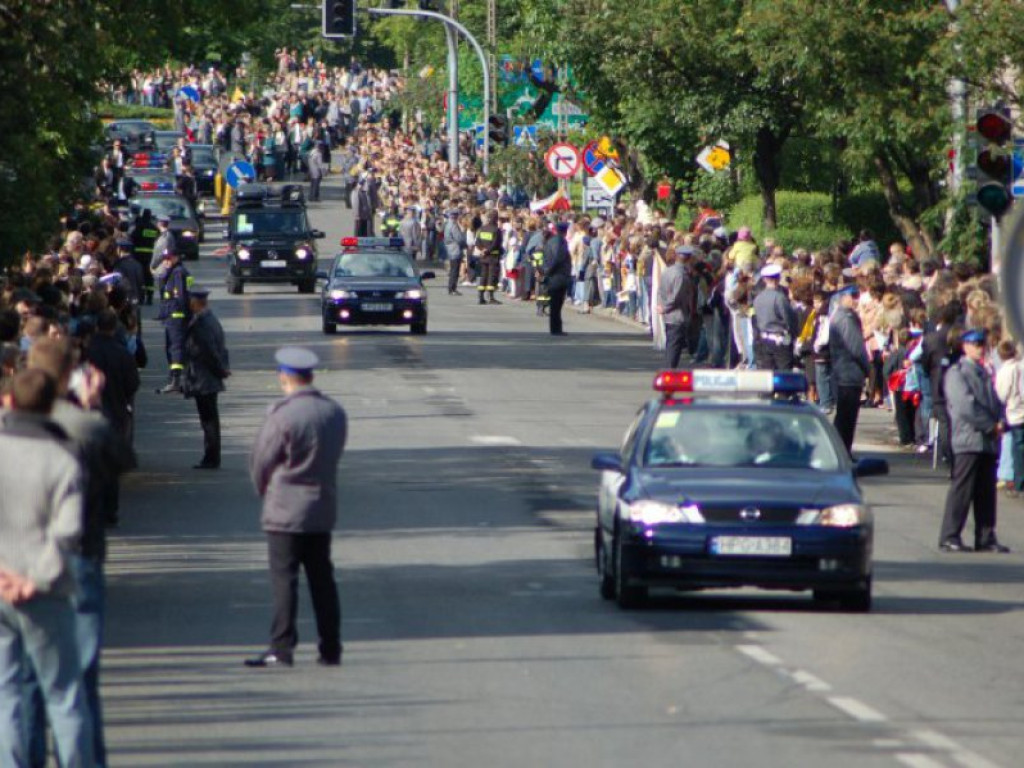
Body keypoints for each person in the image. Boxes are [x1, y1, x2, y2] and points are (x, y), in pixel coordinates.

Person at [26, 338, 135, 767]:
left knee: (21, 683)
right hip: (78, 557)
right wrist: (90, 408)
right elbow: (123, 461)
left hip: (19, 563)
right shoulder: (83, 426)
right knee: (78, 682)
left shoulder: (10, 426)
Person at [0, 369, 94, 767]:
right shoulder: (64, 458)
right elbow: (69, 530)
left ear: (11, 402)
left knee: (7, 693)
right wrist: (34, 578)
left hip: (1, 584)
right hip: (46, 585)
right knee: (63, 693)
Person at [246, 347, 347, 668]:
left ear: (285, 378)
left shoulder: (282, 415)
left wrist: (263, 488)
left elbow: (262, 460)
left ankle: (282, 646)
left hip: (285, 510)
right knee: (323, 580)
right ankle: (330, 647)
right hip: (321, 506)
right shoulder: (333, 412)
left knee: (284, 578)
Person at [938, 329, 1010, 553]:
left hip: (987, 440)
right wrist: (990, 425)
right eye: (976, 343)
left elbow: (996, 401)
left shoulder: (984, 371)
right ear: (965, 346)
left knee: (986, 492)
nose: (981, 347)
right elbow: (965, 406)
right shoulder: (957, 373)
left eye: (982, 343)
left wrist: (1001, 421)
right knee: (962, 490)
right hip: (969, 438)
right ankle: (950, 535)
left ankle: (986, 536)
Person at [183, 287, 230, 469]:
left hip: (203, 378)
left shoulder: (202, 324)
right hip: (208, 377)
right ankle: (211, 456)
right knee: (210, 418)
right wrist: (223, 368)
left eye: (191, 301)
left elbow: (208, 352)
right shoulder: (211, 319)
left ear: (195, 303)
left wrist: (220, 370)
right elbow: (221, 348)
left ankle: (211, 457)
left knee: (208, 420)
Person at [828, 283, 870, 455]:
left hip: (844, 372)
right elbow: (856, 347)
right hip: (848, 372)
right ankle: (841, 453)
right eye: (852, 296)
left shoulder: (844, 316)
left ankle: (841, 452)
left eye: (857, 295)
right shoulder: (845, 318)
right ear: (842, 297)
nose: (856, 300)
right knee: (847, 417)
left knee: (845, 417)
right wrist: (868, 368)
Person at [155, 249, 191, 394]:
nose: (166, 261)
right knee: (171, 348)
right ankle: (176, 379)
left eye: (169, 258)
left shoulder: (178, 273)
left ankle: (176, 380)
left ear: (176, 257)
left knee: (175, 349)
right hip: (171, 317)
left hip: (176, 317)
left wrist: (181, 315)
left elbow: (180, 297)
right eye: (164, 258)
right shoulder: (172, 272)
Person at [752, 263, 797, 370]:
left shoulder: (758, 298)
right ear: (778, 278)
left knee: (768, 376)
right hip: (780, 341)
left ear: (764, 280)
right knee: (784, 375)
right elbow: (788, 319)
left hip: (764, 340)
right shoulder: (779, 297)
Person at [658, 246, 696, 369]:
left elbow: (660, 291)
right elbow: (677, 297)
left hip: (668, 315)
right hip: (677, 315)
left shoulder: (667, 271)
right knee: (674, 347)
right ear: (688, 259)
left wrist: (661, 305)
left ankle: (669, 371)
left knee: (671, 345)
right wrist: (665, 307)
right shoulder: (680, 275)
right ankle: (669, 375)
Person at [995, 339, 1024, 497]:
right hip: (1020, 410)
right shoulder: (1021, 366)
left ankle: (1018, 483)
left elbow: (1002, 394)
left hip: (1014, 412)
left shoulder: (1005, 371)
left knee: (1016, 448)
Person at [540, 220, 572, 336]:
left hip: (554, 275)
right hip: (558, 276)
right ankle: (556, 329)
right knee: (556, 304)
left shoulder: (551, 241)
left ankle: (556, 328)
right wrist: (550, 271)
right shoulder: (560, 241)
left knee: (555, 304)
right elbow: (558, 258)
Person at [474, 210, 503, 305]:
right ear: (495, 219)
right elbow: (496, 244)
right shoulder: (496, 230)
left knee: (483, 276)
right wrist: (487, 250)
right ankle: (490, 297)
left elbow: (477, 242)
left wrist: (482, 250)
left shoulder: (482, 229)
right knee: (491, 276)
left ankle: (480, 297)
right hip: (493, 257)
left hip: (483, 257)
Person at [442, 209, 465, 296]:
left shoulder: (447, 224)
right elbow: (458, 238)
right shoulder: (454, 225)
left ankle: (451, 288)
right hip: (455, 249)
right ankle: (452, 288)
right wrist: (464, 242)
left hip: (449, 248)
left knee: (453, 269)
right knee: (455, 270)